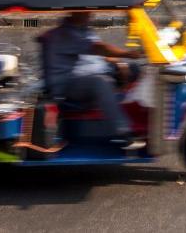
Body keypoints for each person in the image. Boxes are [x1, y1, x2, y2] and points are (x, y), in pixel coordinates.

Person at [40, 12, 144, 150]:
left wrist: (120, 63)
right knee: (100, 82)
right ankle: (124, 132)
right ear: (74, 12)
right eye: (86, 11)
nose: (91, 14)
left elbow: (97, 55)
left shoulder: (84, 30)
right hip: (69, 86)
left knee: (136, 69)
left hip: (91, 74)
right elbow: (97, 48)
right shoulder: (63, 34)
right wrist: (127, 54)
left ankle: (144, 121)